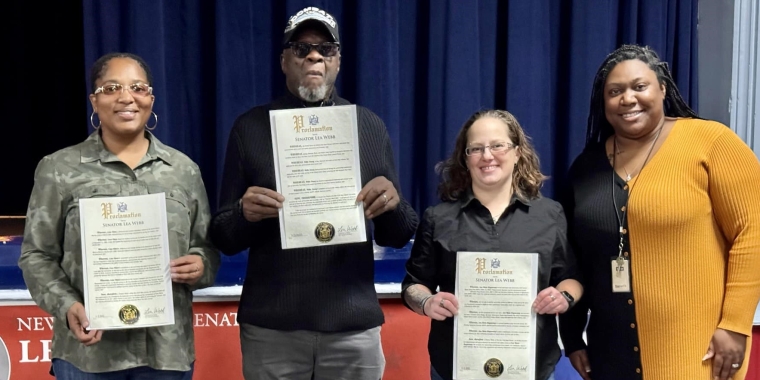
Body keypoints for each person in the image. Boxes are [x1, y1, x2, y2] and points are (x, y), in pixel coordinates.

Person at [209, 6, 418, 380]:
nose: (314, 56)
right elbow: (224, 235)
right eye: (301, 48)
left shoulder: (368, 125)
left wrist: (393, 205)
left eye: (326, 48)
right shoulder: (250, 128)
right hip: (272, 329)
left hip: (352, 325)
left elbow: (398, 233)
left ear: (337, 61)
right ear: (284, 60)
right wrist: (244, 214)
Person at [558, 44, 760, 380]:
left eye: (639, 86)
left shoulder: (710, 142)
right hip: (610, 352)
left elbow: (752, 232)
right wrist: (573, 336)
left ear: (663, 88)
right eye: (615, 91)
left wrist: (736, 325)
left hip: (698, 350)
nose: (627, 98)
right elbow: (574, 257)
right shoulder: (586, 167)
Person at [18, 52, 220, 379]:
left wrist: (199, 264)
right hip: (88, 354)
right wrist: (68, 306)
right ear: (94, 101)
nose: (126, 97)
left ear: (151, 100)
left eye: (138, 88)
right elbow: (36, 255)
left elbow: (206, 248)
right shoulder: (58, 169)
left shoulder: (183, 170)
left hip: (166, 352)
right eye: (112, 88)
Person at [402, 109, 583, 380]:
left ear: (517, 152)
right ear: (465, 159)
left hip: (530, 367)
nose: (487, 156)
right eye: (476, 148)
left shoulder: (550, 215)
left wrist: (563, 297)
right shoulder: (438, 218)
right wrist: (427, 302)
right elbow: (413, 285)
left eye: (498, 145)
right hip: (455, 368)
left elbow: (572, 278)